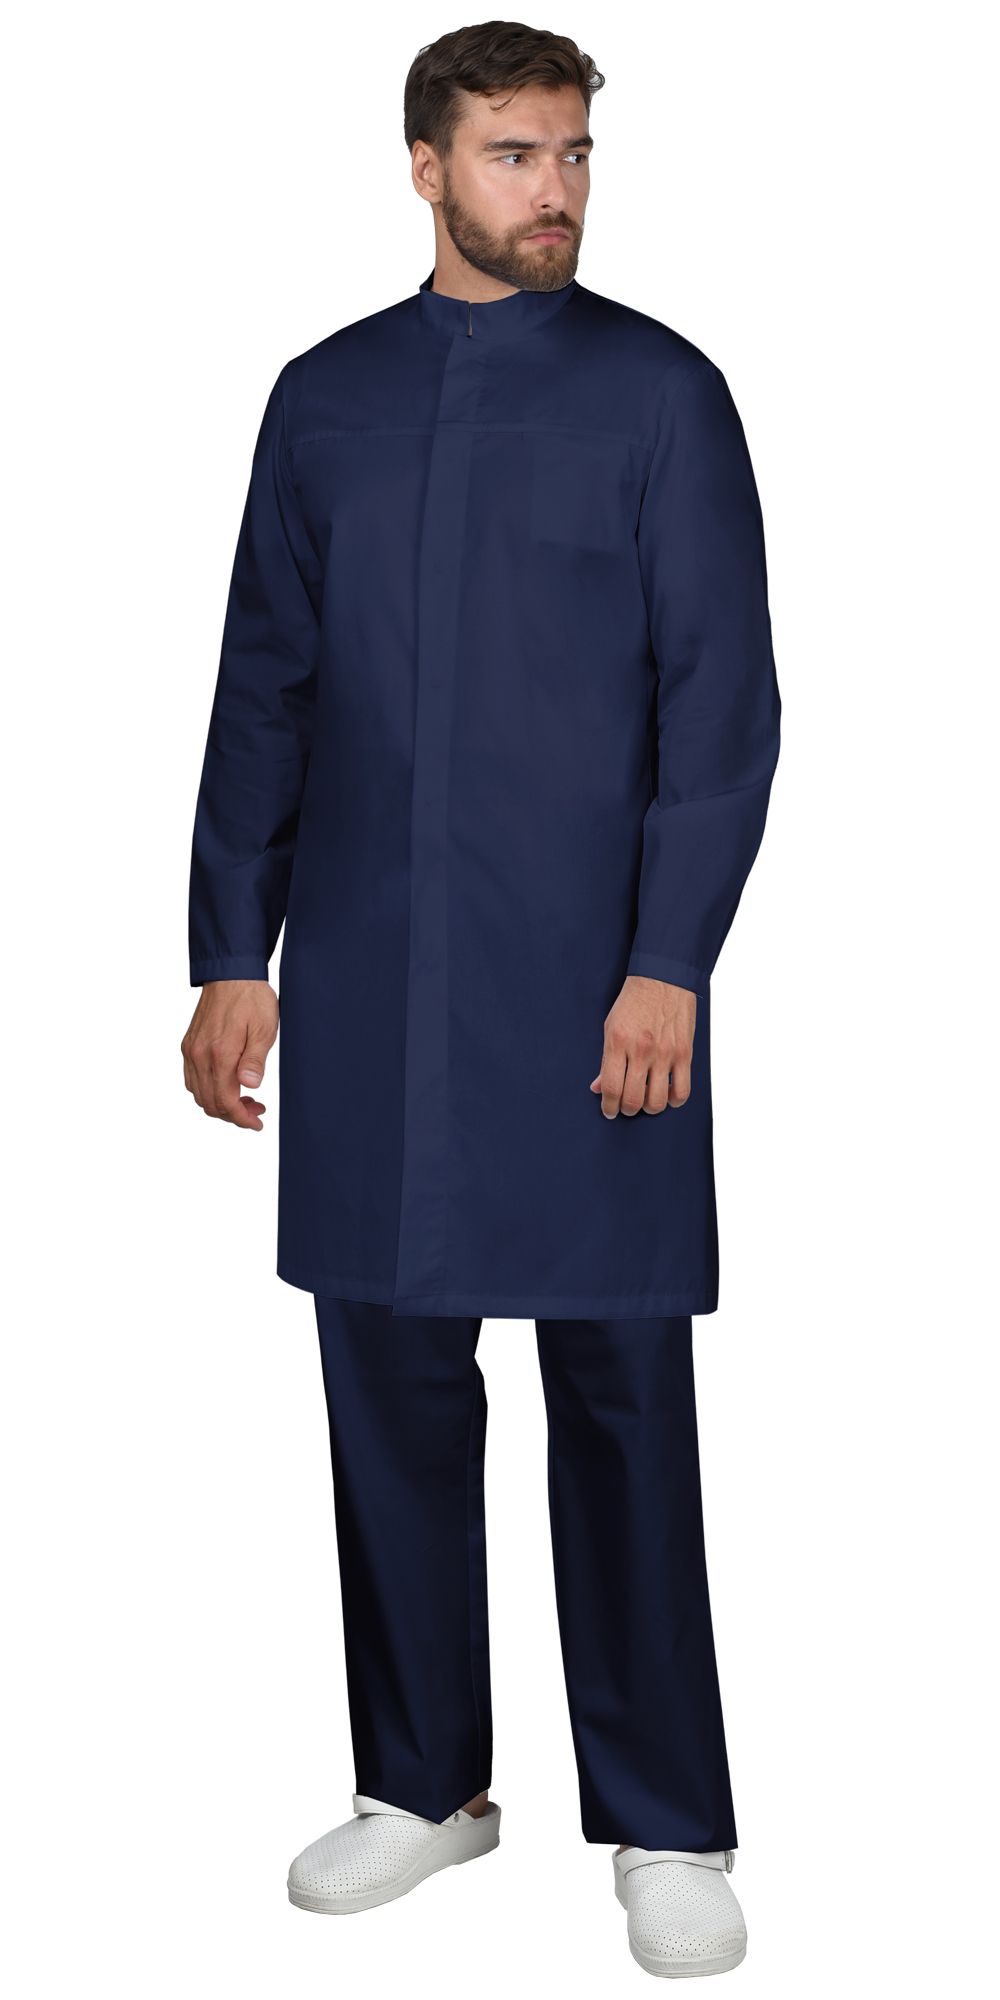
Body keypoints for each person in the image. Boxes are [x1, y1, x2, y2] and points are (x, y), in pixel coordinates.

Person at [182, 19, 780, 1980]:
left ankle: (667, 1820)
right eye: (516, 154)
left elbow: (722, 708)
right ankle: (422, 1784)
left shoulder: (661, 395)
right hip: (371, 982)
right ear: (425, 166)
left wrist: (668, 962)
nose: (558, 189)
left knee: (619, 1395)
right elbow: (264, 689)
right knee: (387, 1390)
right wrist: (230, 949)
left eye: (575, 153)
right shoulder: (324, 400)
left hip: (595, 986)